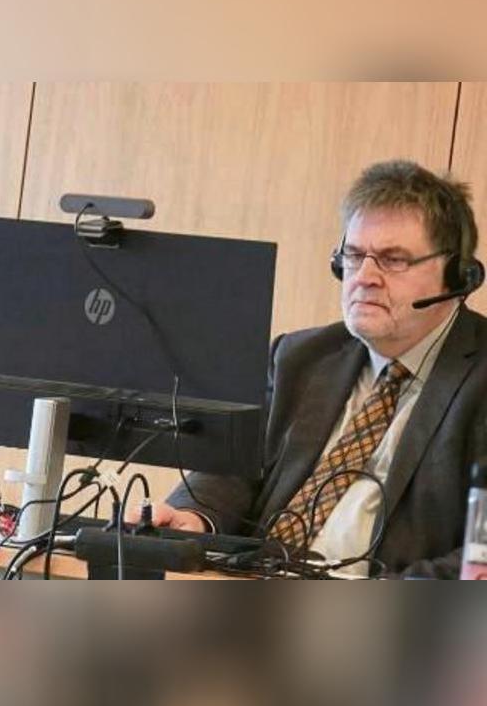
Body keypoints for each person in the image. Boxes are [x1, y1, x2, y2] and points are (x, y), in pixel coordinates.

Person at [154, 160, 487, 579]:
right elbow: (235, 470)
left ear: (459, 275)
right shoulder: (301, 356)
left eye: (393, 260)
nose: (364, 277)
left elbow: (480, 557)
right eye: (353, 255)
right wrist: (195, 517)